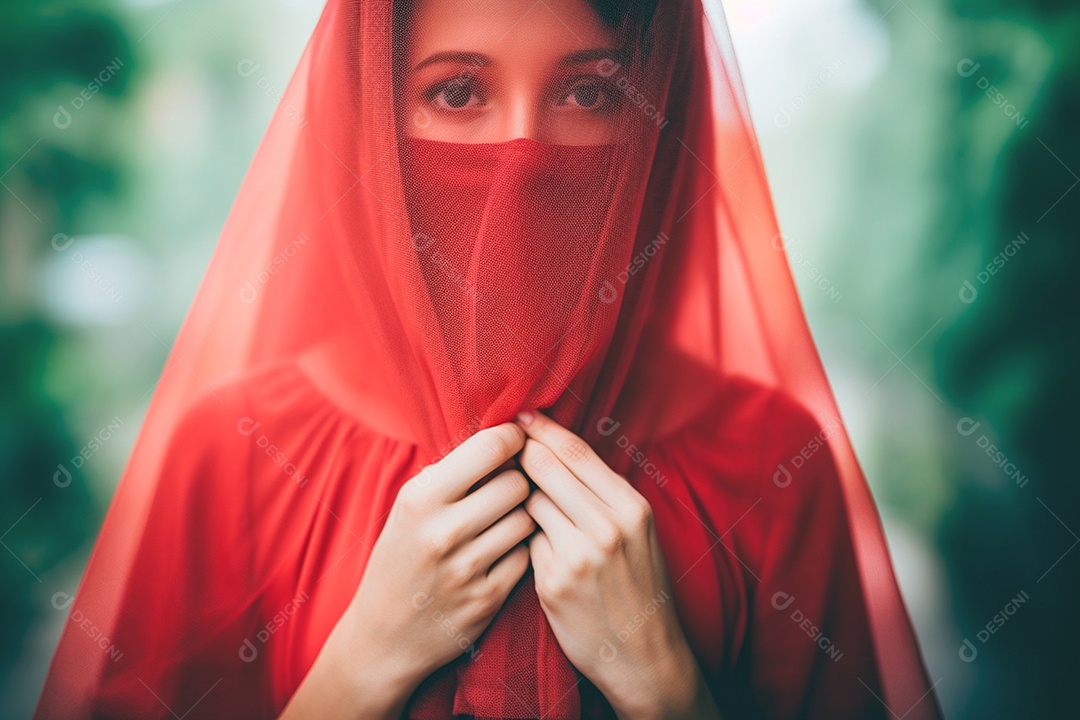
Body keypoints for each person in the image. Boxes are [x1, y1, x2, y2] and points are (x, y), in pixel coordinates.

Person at [32, 0, 944, 718]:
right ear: (371, 121)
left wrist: (667, 687)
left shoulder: (769, 461)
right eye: (457, 93)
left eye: (590, 93)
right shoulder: (234, 449)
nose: (523, 160)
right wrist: (363, 666)